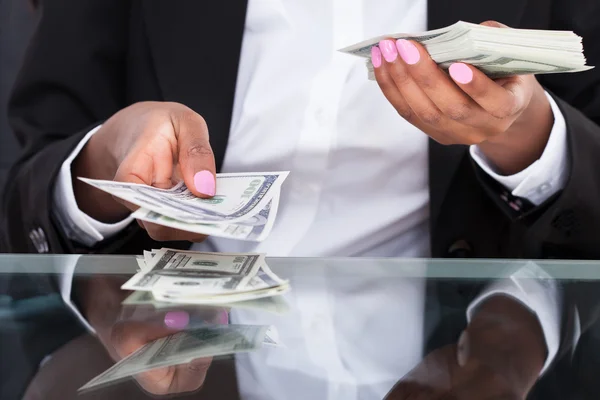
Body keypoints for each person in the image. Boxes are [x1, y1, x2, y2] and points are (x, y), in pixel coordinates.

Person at [1, 0, 600, 398]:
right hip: (177, 350)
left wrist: (525, 135)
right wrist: (105, 162)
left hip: (469, 345)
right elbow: (27, 184)